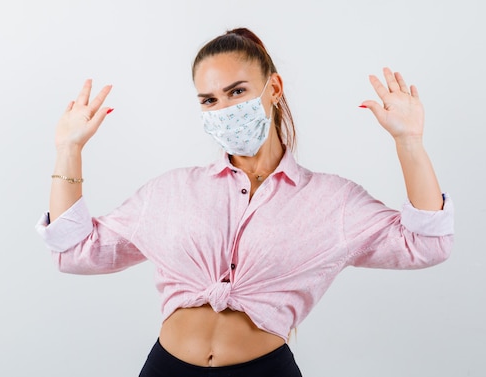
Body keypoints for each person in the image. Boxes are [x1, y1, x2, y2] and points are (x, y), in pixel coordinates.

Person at [36, 28, 454, 376]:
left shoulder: (332, 201)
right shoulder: (170, 192)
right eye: (209, 100)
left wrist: (409, 142)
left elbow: (426, 244)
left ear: (273, 88)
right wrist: (68, 148)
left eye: (237, 91)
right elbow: (75, 252)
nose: (224, 109)